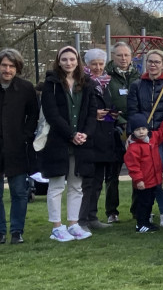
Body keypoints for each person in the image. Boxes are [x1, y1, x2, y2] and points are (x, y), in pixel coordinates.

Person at [39, 46, 98, 242]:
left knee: (76, 186)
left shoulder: (87, 84)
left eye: (72, 59)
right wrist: (70, 134)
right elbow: (52, 114)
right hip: (58, 142)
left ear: (78, 61)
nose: (68, 63)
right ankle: (57, 227)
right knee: (56, 186)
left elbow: (91, 113)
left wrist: (84, 134)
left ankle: (73, 224)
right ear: (58, 61)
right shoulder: (51, 84)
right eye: (64, 59)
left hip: (80, 143)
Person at [127, 49, 163, 226]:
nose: (153, 65)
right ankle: (145, 211)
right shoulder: (136, 85)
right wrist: (133, 134)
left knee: (159, 176)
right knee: (142, 176)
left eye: (157, 62)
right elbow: (133, 111)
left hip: (159, 137)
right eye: (150, 61)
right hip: (140, 137)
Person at [79, 49, 121, 231]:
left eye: (100, 64)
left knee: (98, 182)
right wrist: (92, 114)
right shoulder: (82, 82)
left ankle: (93, 217)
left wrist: (113, 114)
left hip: (105, 136)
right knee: (87, 183)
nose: (97, 67)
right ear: (87, 65)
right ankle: (82, 219)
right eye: (93, 64)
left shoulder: (107, 83)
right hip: (90, 138)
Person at [0, 49, 39, 244]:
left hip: (18, 147)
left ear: (17, 68)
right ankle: (0, 232)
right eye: (4, 65)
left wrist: (25, 135)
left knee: (19, 192)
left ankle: (17, 231)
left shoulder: (25, 88)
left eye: (11, 66)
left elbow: (34, 115)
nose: (7, 69)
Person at [106, 42, 140, 223]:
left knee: (137, 172)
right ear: (113, 56)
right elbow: (106, 103)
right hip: (114, 129)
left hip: (135, 130)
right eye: (119, 55)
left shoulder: (138, 76)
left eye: (126, 55)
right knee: (113, 174)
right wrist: (121, 121)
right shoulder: (106, 77)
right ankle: (112, 211)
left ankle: (137, 210)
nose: (123, 59)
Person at [124, 113, 163, 232]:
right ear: (133, 132)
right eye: (137, 130)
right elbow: (133, 167)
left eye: (143, 129)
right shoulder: (133, 148)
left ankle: (146, 222)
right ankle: (141, 224)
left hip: (153, 180)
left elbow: (162, 132)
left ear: (147, 129)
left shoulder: (152, 139)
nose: (141, 132)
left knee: (149, 202)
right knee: (143, 204)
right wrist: (139, 180)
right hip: (143, 182)